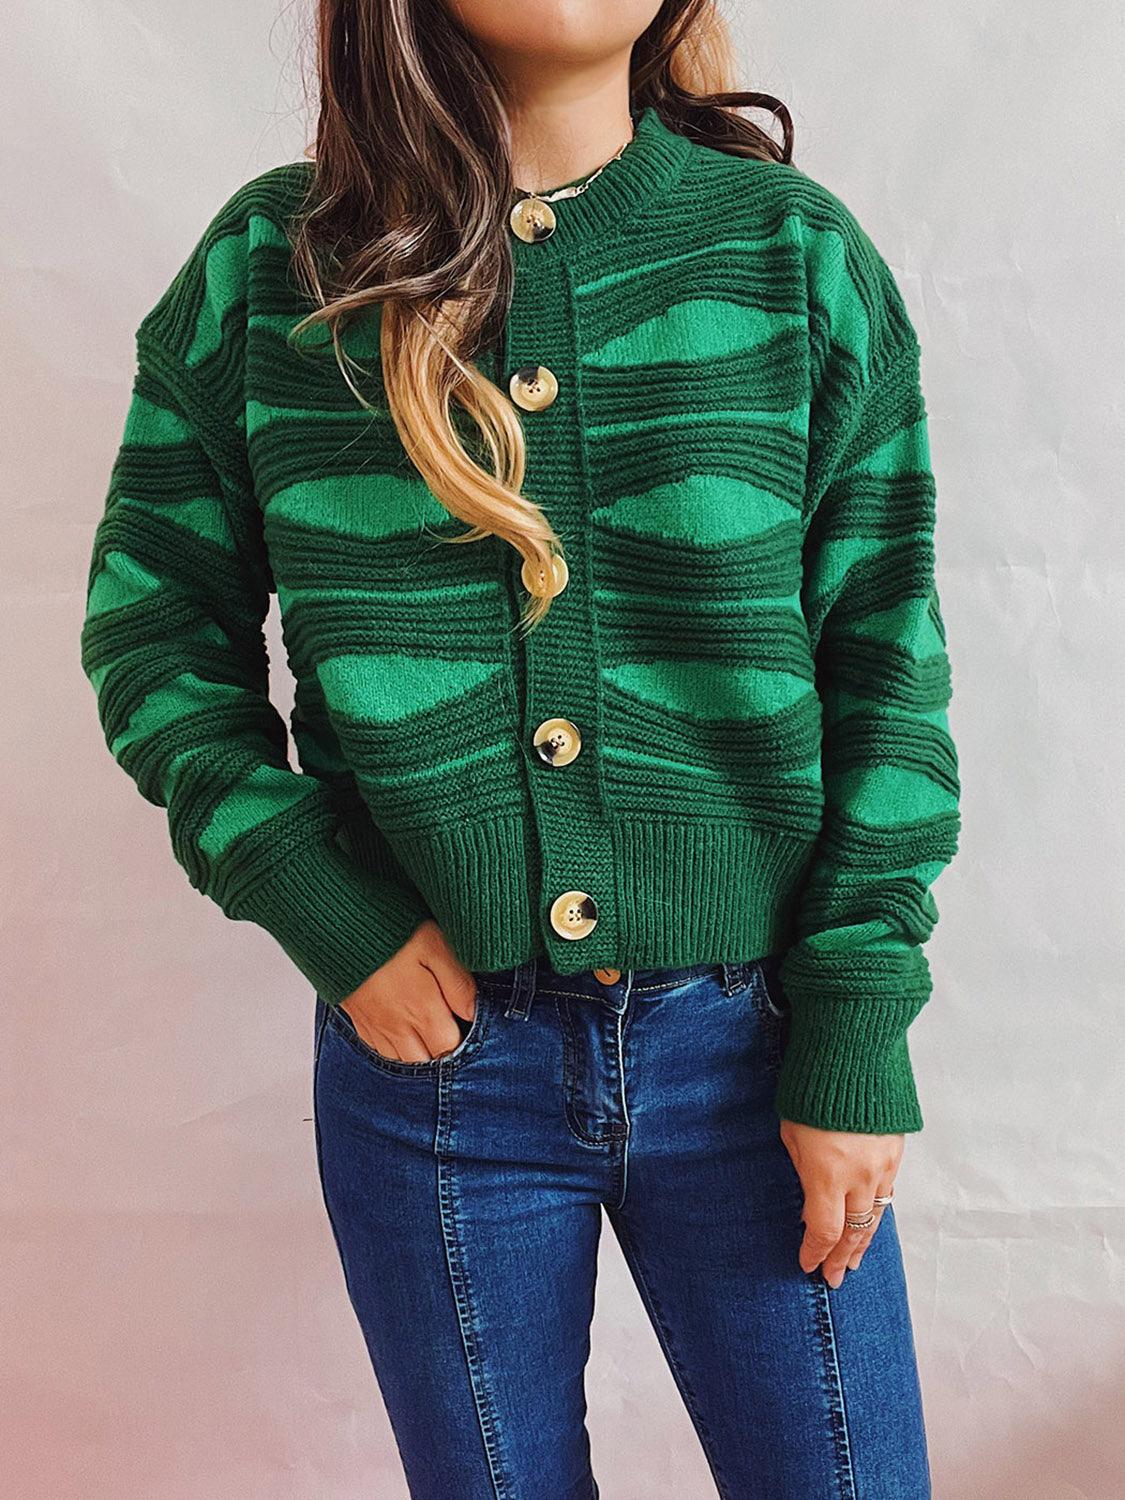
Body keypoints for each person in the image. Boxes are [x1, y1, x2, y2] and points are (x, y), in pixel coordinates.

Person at [79, 1, 961, 1494]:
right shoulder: (272, 269)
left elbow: (887, 669)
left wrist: (858, 1022)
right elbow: (153, 633)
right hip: (432, 1070)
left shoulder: (789, 254)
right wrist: (319, 899)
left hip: (752, 1051)